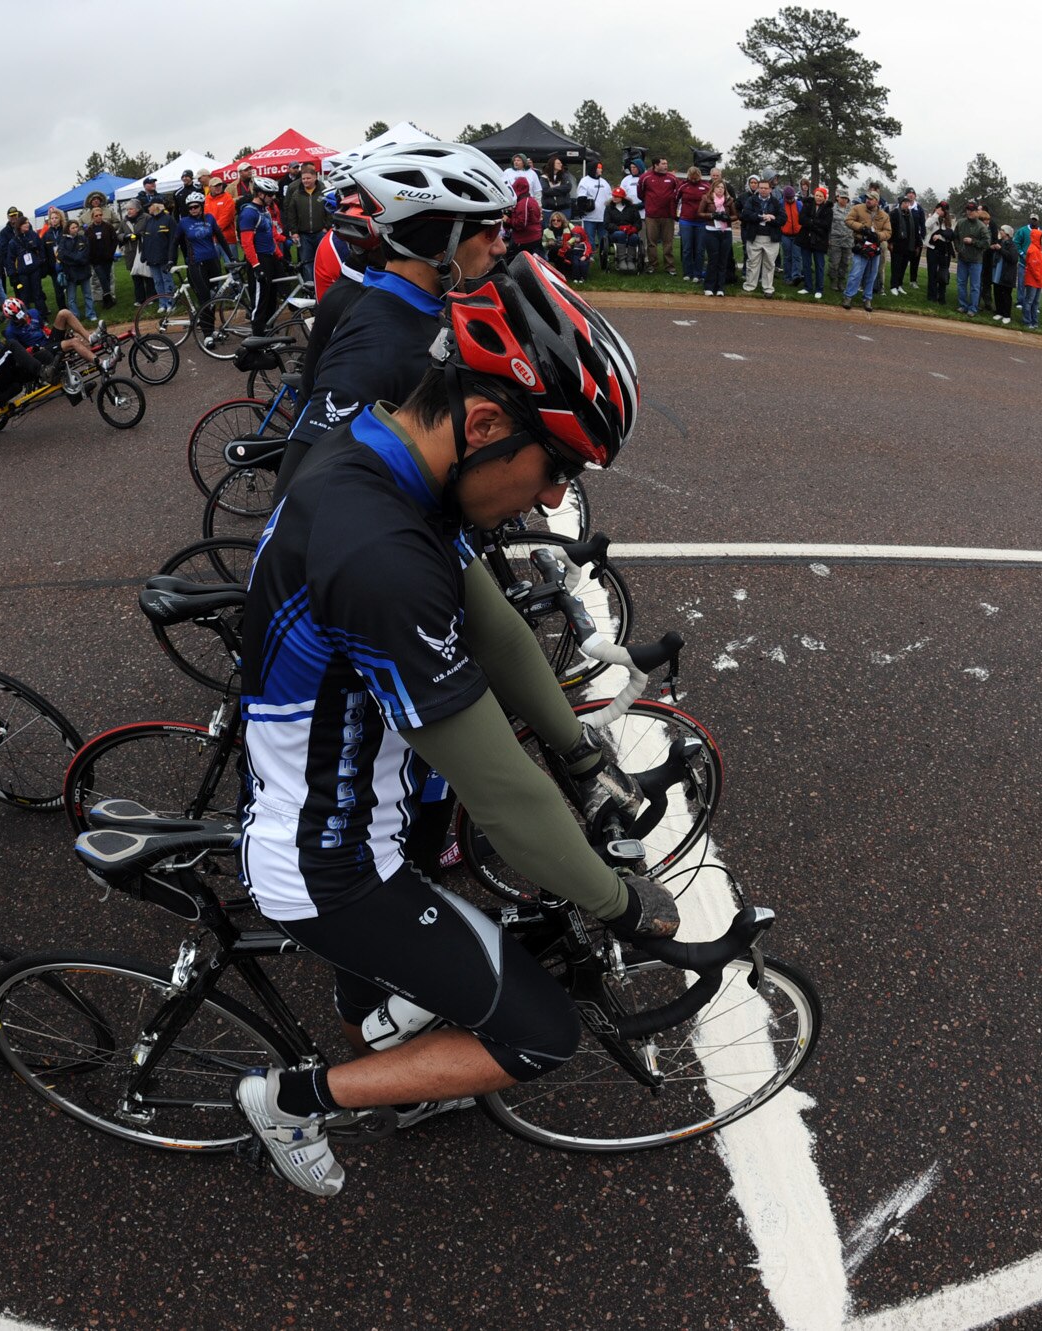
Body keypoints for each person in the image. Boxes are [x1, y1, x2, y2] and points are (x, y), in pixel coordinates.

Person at [232, 255, 676, 1197]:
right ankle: (295, 1098)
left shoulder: (386, 461)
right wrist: (621, 906)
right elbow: (504, 799)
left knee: (409, 965)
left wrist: (579, 753)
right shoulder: (380, 552)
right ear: (482, 422)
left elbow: (500, 633)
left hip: (341, 805)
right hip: (335, 865)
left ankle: (380, 1029)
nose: (558, 496)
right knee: (540, 1032)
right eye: (556, 464)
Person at [275, 140, 509, 497]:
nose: (501, 246)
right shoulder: (379, 341)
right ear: (439, 242)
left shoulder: (419, 306)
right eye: (490, 230)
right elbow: (297, 493)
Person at [175, 191, 233, 343]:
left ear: (201, 206)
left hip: (212, 262)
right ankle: (207, 335)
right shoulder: (184, 222)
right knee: (205, 298)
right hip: (196, 264)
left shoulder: (210, 218)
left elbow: (221, 238)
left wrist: (231, 257)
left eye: (195, 206)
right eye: (190, 207)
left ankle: (211, 329)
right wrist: (170, 260)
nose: (193, 209)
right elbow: (174, 242)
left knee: (214, 296)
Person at [240, 177, 287, 331]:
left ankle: (267, 334)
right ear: (260, 194)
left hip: (270, 257)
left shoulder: (265, 210)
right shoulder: (249, 213)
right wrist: (256, 266)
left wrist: (280, 255)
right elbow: (247, 244)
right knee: (260, 303)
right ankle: (256, 340)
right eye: (270, 194)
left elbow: (271, 236)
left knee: (272, 300)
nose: (273, 197)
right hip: (259, 259)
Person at [842, 187, 891, 311]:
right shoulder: (857, 208)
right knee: (856, 272)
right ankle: (848, 296)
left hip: (875, 247)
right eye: (867, 198)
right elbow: (848, 220)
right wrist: (862, 228)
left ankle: (867, 298)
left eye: (871, 199)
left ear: (877, 201)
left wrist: (878, 235)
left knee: (872, 274)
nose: (868, 200)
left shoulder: (884, 215)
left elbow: (888, 232)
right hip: (861, 244)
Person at [284, 162, 330, 284]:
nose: (305, 181)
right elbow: (291, 213)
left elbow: (330, 210)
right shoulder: (296, 194)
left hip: (321, 233)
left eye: (308, 178)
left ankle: (324, 285)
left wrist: (327, 227)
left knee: (324, 261)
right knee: (306, 263)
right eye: (303, 178)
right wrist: (294, 232)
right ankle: (310, 289)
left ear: (315, 177)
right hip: (304, 236)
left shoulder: (324, 192)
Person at [740, 176, 783, 297]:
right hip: (755, 236)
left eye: (766, 188)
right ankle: (750, 285)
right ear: (758, 189)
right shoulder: (751, 200)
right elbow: (745, 214)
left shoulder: (776, 202)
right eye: (761, 188)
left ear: (770, 190)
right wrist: (759, 217)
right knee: (752, 262)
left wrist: (771, 218)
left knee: (769, 264)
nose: (763, 190)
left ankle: (768, 287)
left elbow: (783, 219)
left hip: (771, 238)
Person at [638, 156, 679, 276]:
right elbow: (641, 194)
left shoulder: (672, 178)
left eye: (666, 163)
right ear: (656, 165)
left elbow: (677, 193)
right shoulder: (645, 177)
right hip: (651, 215)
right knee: (652, 242)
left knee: (668, 242)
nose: (666, 166)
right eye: (663, 164)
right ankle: (652, 265)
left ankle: (670, 267)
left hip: (668, 215)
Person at [698, 177, 737, 297]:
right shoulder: (706, 198)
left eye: (722, 188)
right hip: (711, 231)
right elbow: (700, 213)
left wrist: (728, 218)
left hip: (725, 232)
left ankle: (720, 287)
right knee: (713, 259)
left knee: (723, 260)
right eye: (718, 187)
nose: (720, 189)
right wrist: (711, 215)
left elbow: (735, 215)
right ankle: (709, 286)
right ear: (713, 188)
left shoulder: (729, 201)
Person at [84, 194, 121, 311]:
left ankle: (108, 299)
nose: (99, 217)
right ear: (92, 217)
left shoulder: (108, 227)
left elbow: (114, 240)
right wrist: (90, 257)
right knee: (102, 278)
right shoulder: (89, 230)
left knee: (108, 278)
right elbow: (86, 244)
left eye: (100, 215)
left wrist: (111, 253)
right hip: (95, 259)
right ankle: (107, 298)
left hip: (107, 257)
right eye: (96, 216)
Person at [55, 219, 94, 323]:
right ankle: (75, 317)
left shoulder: (82, 238)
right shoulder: (63, 241)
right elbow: (62, 255)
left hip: (83, 270)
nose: (75, 229)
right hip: (70, 272)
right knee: (71, 297)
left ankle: (91, 314)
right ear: (68, 229)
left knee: (88, 294)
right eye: (72, 228)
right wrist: (76, 258)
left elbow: (86, 252)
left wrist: (78, 258)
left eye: (76, 227)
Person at [954, 201, 989, 314]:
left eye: (971, 210)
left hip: (976, 260)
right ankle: (963, 305)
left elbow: (987, 243)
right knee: (961, 283)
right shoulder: (960, 223)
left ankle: (973, 308)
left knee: (975, 286)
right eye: (967, 210)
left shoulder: (981, 226)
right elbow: (955, 237)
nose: (969, 212)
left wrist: (973, 241)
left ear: (976, 212)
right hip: (963, 258)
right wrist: (958, 248)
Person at [797, 186, 833, 297]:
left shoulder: (828, 209)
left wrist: (812, 222)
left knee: (819, 265)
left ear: (824, 197)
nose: (818, 198)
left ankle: (819, 289)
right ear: (814, 195)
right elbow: (801, 219)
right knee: (806, 265)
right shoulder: (807, 205)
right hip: (806, 239)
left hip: (820, 240)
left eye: (821, 196)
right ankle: (807, 287)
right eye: (817, 195)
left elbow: (826, 225)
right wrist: (816, 223)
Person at [1014, 214, 1042, 328]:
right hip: (1033, 280)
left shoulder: (1038, 249)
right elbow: (1034, 268)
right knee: (1029, 301)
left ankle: (1034, 321)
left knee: (1035, 302)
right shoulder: (1033, 250)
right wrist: (1040, 278)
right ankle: (1027, 321)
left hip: (1038, 281)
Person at [574, 162, 611, 268]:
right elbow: (581, 197)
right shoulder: (584, 181)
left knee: (604, 237)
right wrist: (580, 209)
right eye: (599, 168)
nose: (601, 170)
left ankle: (604, 255)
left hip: (603, 216)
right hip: (589, 216)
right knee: (589, 237)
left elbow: (609, 197)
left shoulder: (604, 182)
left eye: (601, 168)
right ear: (593, 169)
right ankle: (590, 255)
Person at [888, 189, 924, 294]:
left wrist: (918, 244)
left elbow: (915, 230)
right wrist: (890, 242)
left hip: (908, 245)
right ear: (901, 203)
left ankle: (899, 285)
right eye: (904, 202)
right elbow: (891, 229)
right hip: (897, 245)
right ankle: (893, 286)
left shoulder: (910, 215)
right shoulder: (894, 213)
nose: (907, 204)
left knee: (903, 266)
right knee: (896, 266)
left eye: (908, 202)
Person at [922, 202, 955, 305]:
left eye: (943, 210)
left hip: (944, 250)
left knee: (943, 273)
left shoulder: (949, 221)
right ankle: (932, 295)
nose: (942, 211)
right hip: (932, 248)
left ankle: (942, 295)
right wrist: (936, 215)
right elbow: (927, 225)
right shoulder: (933, 218)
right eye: (940, 209)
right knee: (932, 273)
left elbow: (950, 234)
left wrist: (940, 236)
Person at [506, 176, 544, 259]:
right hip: (535, 237)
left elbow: (521, 224)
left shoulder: (523, 203)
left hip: (525, 239)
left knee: (511, 261)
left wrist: (507, 220)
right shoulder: (532, 200)